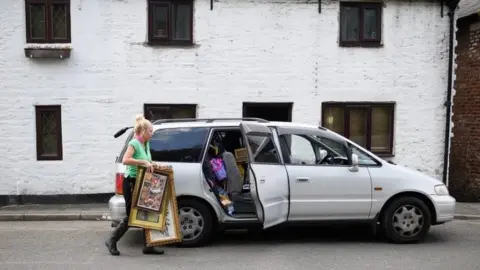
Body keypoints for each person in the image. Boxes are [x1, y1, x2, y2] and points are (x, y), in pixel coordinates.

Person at [105, 114, 165, 256]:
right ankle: (112, 239)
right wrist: (143, 163)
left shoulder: (146, 143)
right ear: (143, 131)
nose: (152, 133)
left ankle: (148, 246)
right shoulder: (134, 143)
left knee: (147, 210)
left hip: (142, 181)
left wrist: (152, 164)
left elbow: (146, 160)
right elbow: (126, 160)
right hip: (131, 182)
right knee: (133, 214)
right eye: (150, 131)